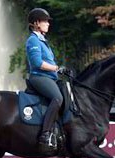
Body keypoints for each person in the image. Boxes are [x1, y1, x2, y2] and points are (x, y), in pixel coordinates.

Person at [26, 8, 65, 150]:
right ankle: (45, 134)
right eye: (45, 21)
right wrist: (56, 68)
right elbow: (37, 63)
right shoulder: (33, 40)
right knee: (57, 98)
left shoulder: (43, 41)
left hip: (50, 77)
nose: (48, 24)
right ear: (36, 23)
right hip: (39, 77)